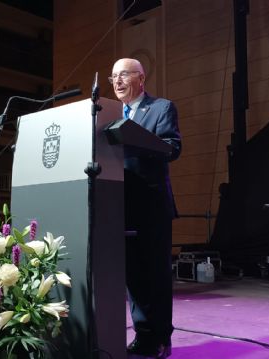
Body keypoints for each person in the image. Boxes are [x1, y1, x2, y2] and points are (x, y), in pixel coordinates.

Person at [110, 58, 182, 358]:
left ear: (141, 78)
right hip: (118, 204)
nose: (117, 81)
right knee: (133, 274)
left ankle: (161, 337)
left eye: (124, 74)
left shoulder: (161, 107)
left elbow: (172, 147)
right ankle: (143, 334)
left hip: (151, 205)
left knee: (155, 273)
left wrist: (132, 140)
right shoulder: (108, 115)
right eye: (114, 76)